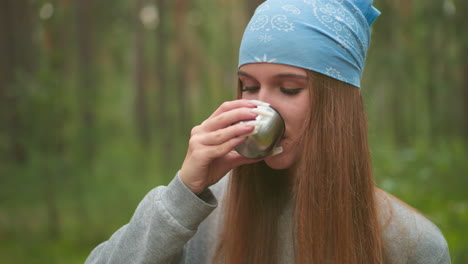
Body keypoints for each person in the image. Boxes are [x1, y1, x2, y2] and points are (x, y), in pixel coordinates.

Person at [85, 0, 451, 263]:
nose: (262, 107)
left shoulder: (410, 243)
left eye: (289, 88)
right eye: (248, 86)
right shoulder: (200, 216)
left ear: (338, 106)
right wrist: (183, 192)